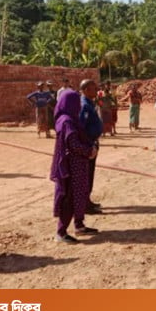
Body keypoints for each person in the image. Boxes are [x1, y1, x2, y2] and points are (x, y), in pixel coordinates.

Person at [50, 90, 99, 244]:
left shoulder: (72, 119)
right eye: (76, 103)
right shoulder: (66, 122)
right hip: (70, 167)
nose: (79, 106)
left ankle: (79, 225)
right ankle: (61, 232)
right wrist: (89, 151)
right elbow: (73, 144)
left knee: (80, 193)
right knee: (69, 196)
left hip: (79, 164)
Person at [80, 80, 104, 214]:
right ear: (85, 90)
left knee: (90, 174)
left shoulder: (90, 103)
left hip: (92, 143)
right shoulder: (84, 105)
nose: (96, 91)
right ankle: (84, 204)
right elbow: (81, 128)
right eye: (93, 89)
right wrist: (89, 145)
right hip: (88, 145)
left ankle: (87, 200)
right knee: (86, 175)